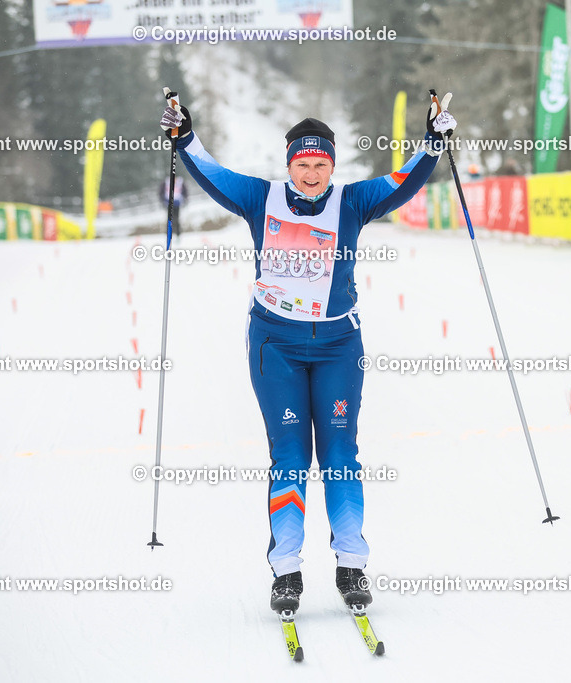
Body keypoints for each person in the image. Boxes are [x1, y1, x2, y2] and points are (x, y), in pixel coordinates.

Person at [160, 93, 457, 613]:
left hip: (338, 345)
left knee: (340, 454)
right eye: (303, 164)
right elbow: (212, 174)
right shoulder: (261, 198)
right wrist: (184, 136)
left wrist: (432, 142)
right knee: (291, 456)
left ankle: (351, 563)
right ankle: (287, 571)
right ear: (289, 164)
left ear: (333, 166)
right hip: (275, 345)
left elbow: (403, 181)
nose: (312, 174)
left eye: (321, 165)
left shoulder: (354, 201)